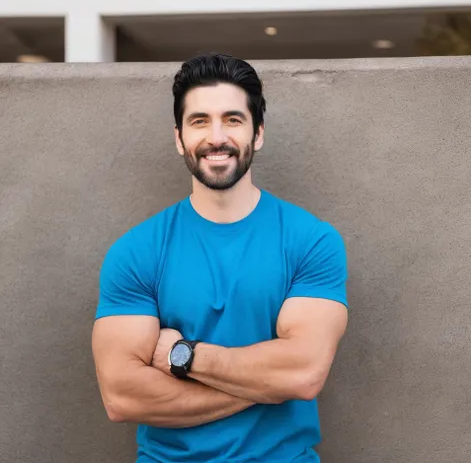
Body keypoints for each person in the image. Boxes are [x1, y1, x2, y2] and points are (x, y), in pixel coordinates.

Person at [92, 53, 349, 463]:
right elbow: (122, 397)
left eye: (233, 119)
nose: (216, 137)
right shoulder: (136, 251)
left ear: (257, 133)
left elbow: (303, 373)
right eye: (199, 121)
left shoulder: (310, 241)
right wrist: (265, 382)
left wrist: (183, 356)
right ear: (179, 138)